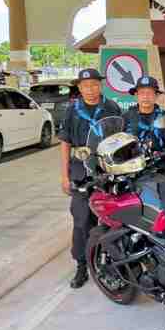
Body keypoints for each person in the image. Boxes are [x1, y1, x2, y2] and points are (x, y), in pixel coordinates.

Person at [59, 68, 122, 289]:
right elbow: (65, 142)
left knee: (112, 217)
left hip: (106, 170)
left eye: (95, 84)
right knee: (82, 219)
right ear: (79, 88)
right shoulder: (72, 111)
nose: (91, 89)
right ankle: (82, 265)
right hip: (80, 172)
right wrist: (64, 175)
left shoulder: (111, 107)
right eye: (86, 86)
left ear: (100, 85)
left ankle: (112, 261)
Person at [123, 75, 165, 182]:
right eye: (142, 93)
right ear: (136, 95)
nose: (146, 97)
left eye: (149, 93)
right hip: (133, 177)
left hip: (163, 175)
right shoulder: (126, 118)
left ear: (156, 95)